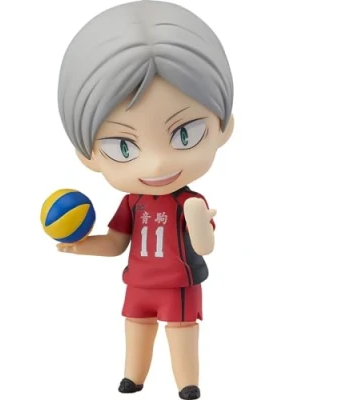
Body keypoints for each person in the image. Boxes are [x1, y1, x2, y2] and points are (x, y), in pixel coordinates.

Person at [56, 1, 234, 399]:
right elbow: (116, 243)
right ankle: (132, 377)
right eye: (123, 146)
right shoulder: (133, 203)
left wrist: (198, 220)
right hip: (138, 281)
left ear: (223, 126)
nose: (157, 163)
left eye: (185, 134)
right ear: (88, 156)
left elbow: (205, 246)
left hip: (178, 283)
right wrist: (81, 245)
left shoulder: (190, 200)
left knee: (182, 331)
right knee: (135, 327)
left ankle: (188, 383)